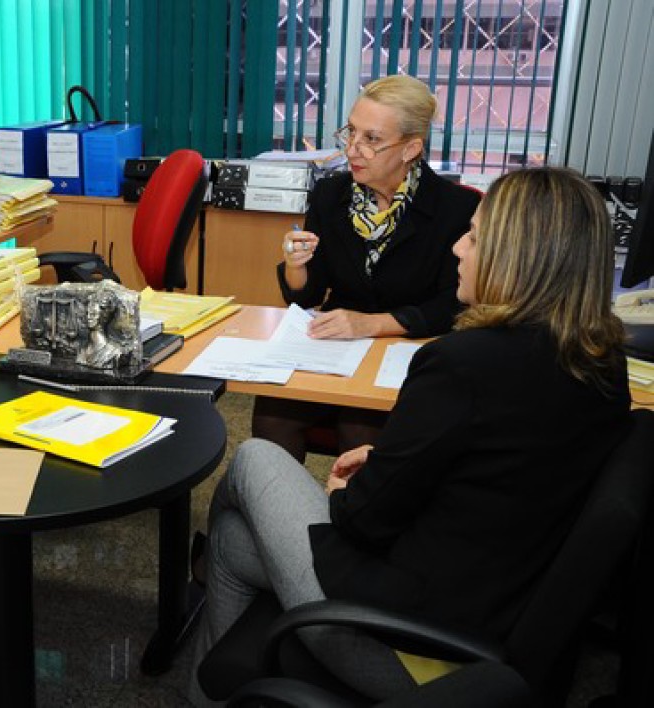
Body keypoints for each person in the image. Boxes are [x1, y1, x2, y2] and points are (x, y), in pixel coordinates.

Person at [190, 167, 631, 703]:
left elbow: (362, 521)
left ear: (518, 258)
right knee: (233, 542)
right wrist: (393, 459)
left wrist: (346, 490)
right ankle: (212, 692)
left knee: (256, 457)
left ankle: (209, 676)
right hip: (499, 616)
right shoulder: (603, 363)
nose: (458, 248)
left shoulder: (462, 364)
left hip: (407, 647)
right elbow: (502, 464)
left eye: (473, 238)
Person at [253, 74, 481, 462]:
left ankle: (355, 503)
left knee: (360, 427)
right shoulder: (331, 195)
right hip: (337, 347)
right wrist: (296, 266)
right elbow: (308, 295)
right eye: (351, 132)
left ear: (411, 148)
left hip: (409, 352)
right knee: (273, 413)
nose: (352, 149)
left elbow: (454, 307)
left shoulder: (456, 208)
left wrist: (371, 324)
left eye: (371, 139)